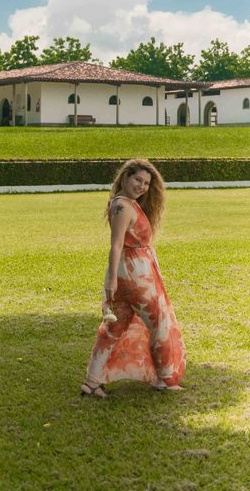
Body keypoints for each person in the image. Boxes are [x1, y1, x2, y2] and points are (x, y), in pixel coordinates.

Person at [81, 158, 186, 397]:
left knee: (114, 326)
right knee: (159, 323)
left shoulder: (123, 203)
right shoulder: (124, 207)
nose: (142, 186)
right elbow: (116, 244)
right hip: (136, 276)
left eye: (147, 183)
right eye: (138, 179)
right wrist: (110, 281)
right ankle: (165, 379)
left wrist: (113, 278)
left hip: (126, 273)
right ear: (126, 177)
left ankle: (92, 382)